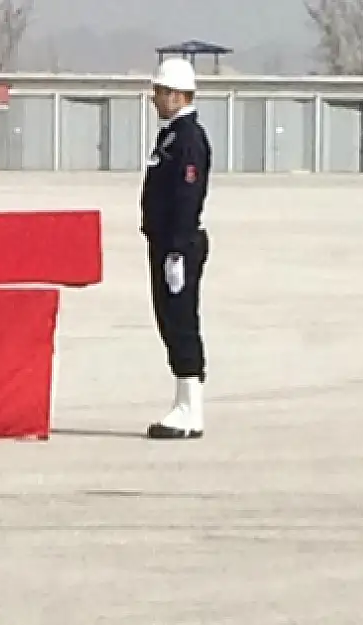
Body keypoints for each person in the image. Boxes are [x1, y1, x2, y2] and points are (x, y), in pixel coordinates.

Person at [140, 57, 211, 440]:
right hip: (166, 243)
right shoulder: (171, 135)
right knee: (169, 319)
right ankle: (183, 402)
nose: (154, 99)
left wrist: (177, 252)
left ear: (177, 94)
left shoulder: (187, 139)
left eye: (160, 92)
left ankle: (190, 409)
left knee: (181, 321)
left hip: (177, 246)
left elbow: (187, 196)